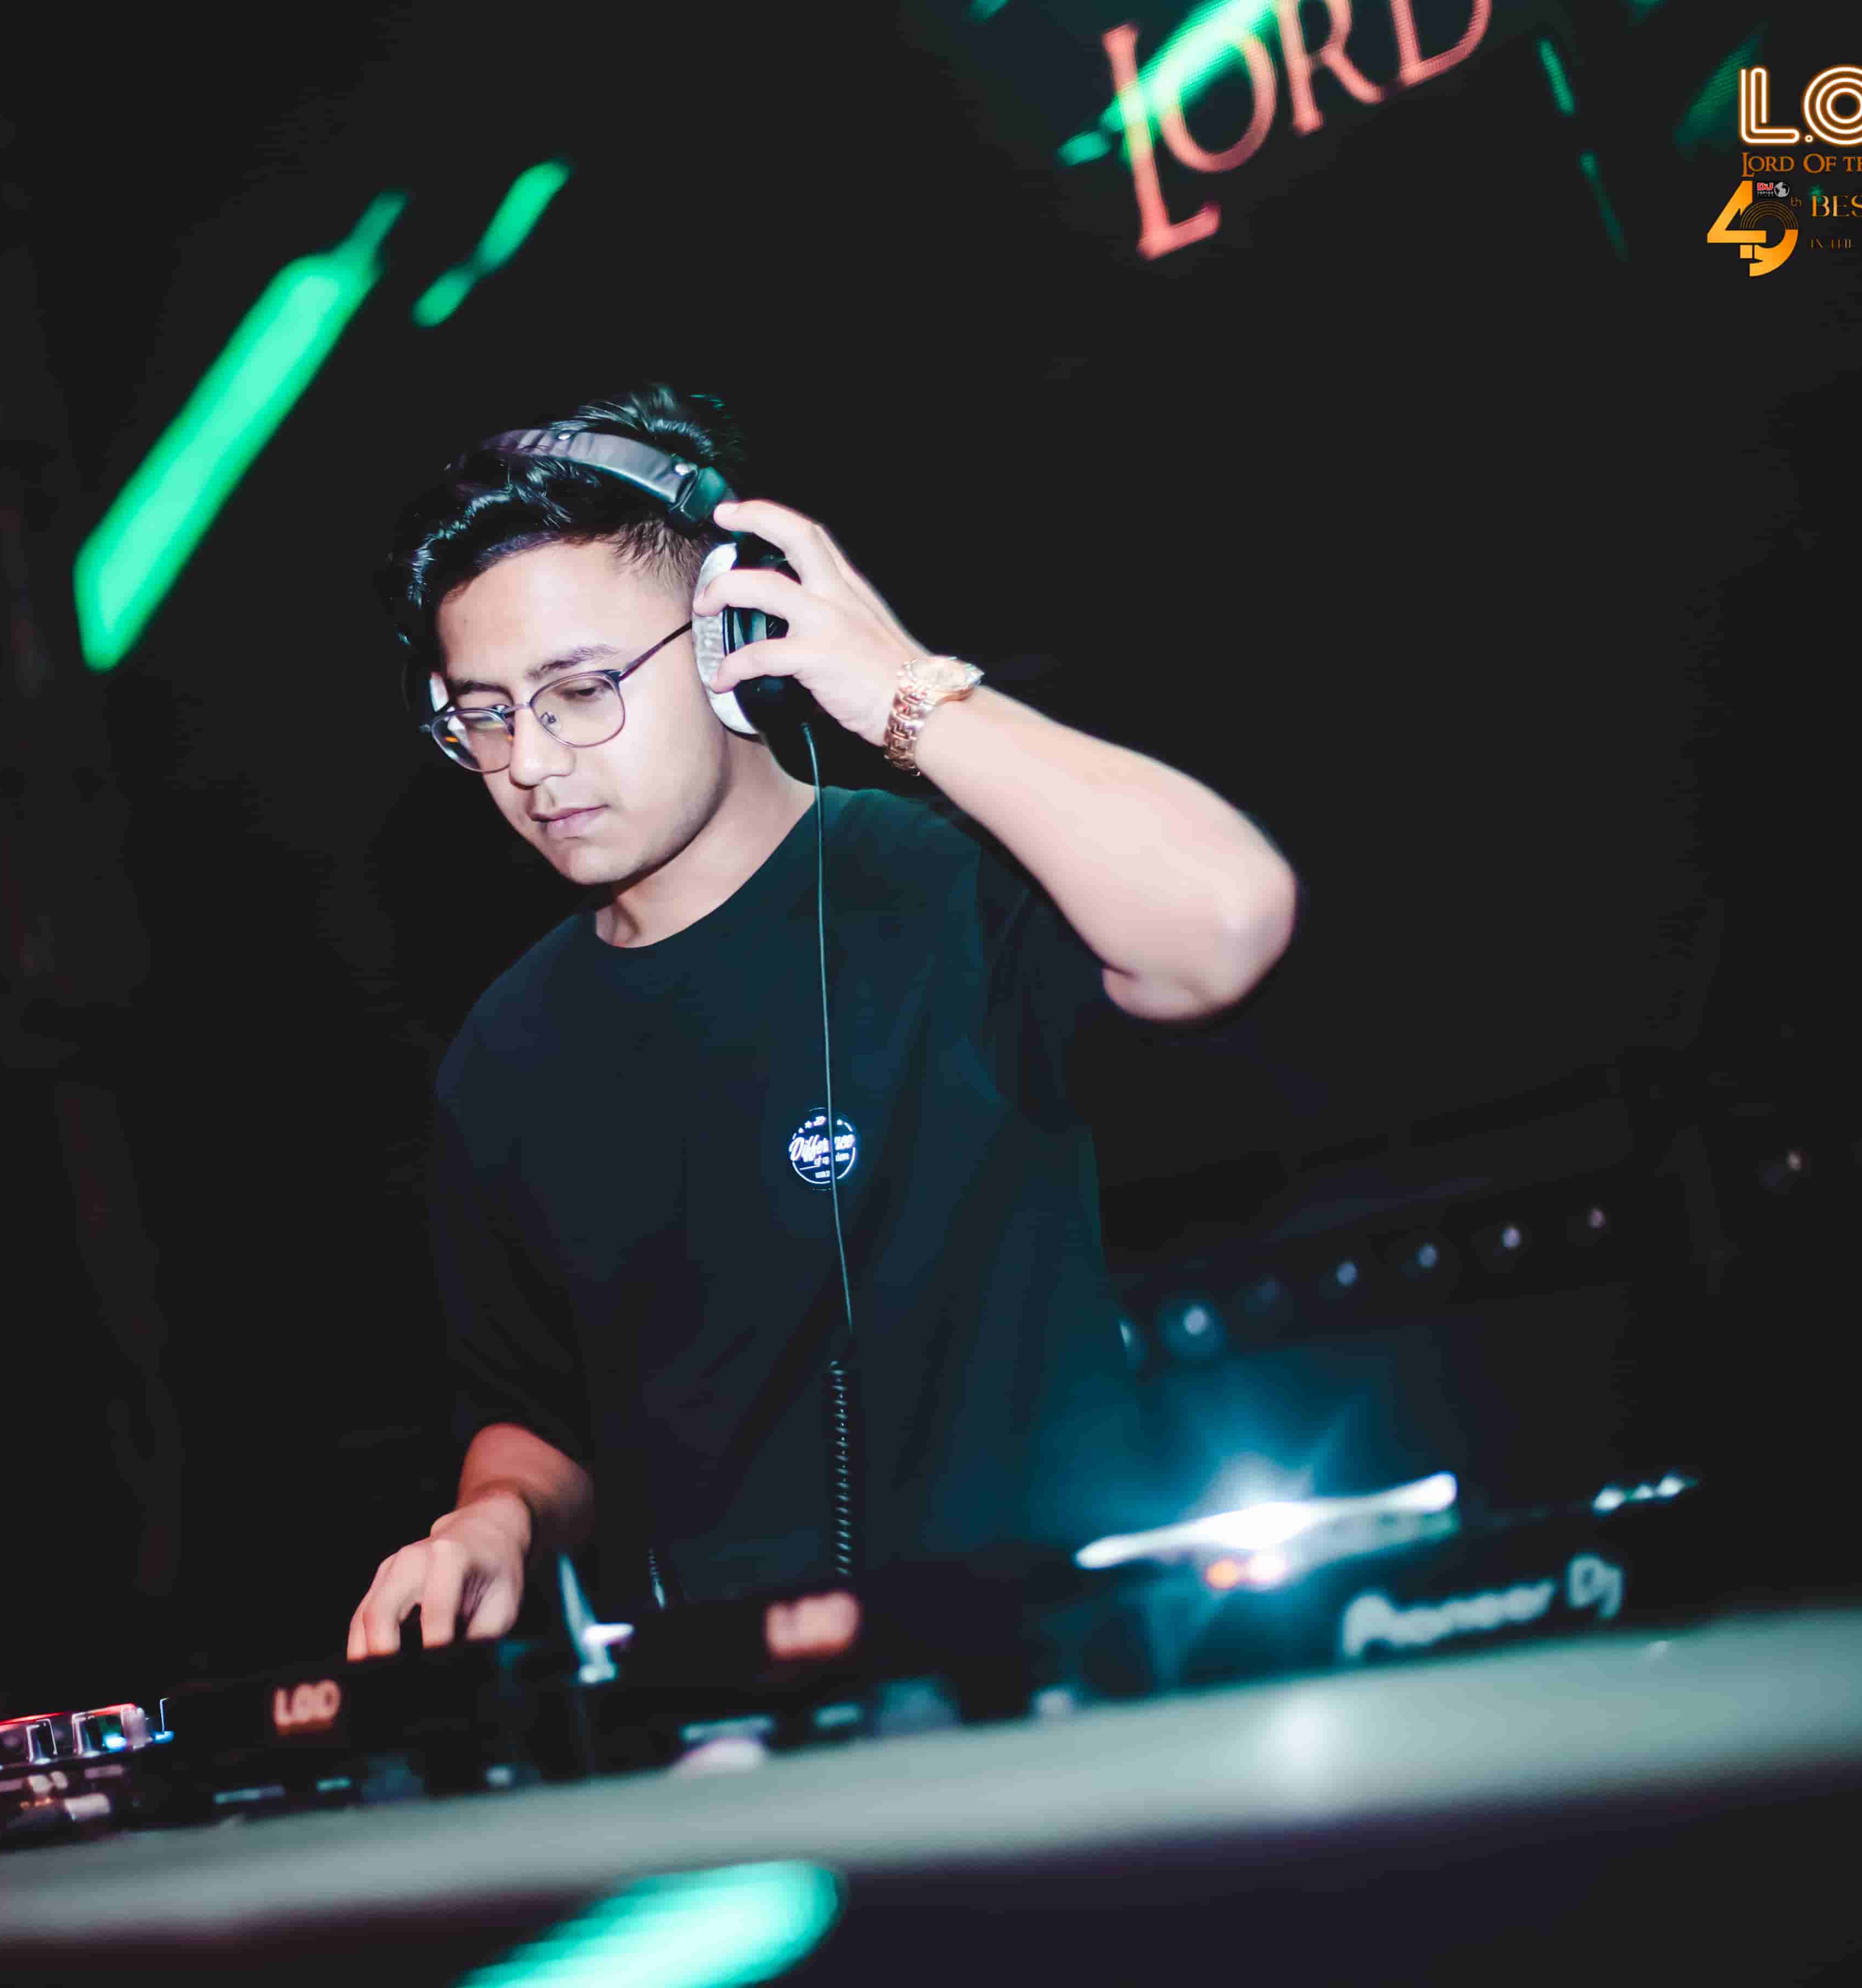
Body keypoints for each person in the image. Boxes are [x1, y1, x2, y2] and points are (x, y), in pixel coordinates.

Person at [348, 384, 1298, 1657]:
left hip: (1061, 1679)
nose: (529, 760)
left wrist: (909, 692)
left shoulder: (947, 891)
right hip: (719, 1724)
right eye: (485, 711)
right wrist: (495, 1518)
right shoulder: (503, 1057)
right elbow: (536, 1410)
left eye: (579, 689)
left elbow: (1226, 925)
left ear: (731, 640)